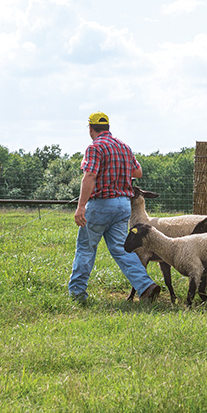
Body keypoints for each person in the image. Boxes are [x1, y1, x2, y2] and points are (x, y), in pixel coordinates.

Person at [68, 112, 161, 302]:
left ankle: (77, 293)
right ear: (108, 127)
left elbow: (90, 176)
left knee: (86, 248)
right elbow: (138, 172)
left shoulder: (95, 148)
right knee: (121, 249)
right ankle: (145, 286)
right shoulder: (124, 147)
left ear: (90, 128)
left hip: (101, 204)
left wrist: (81, 206)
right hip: (122, 205)